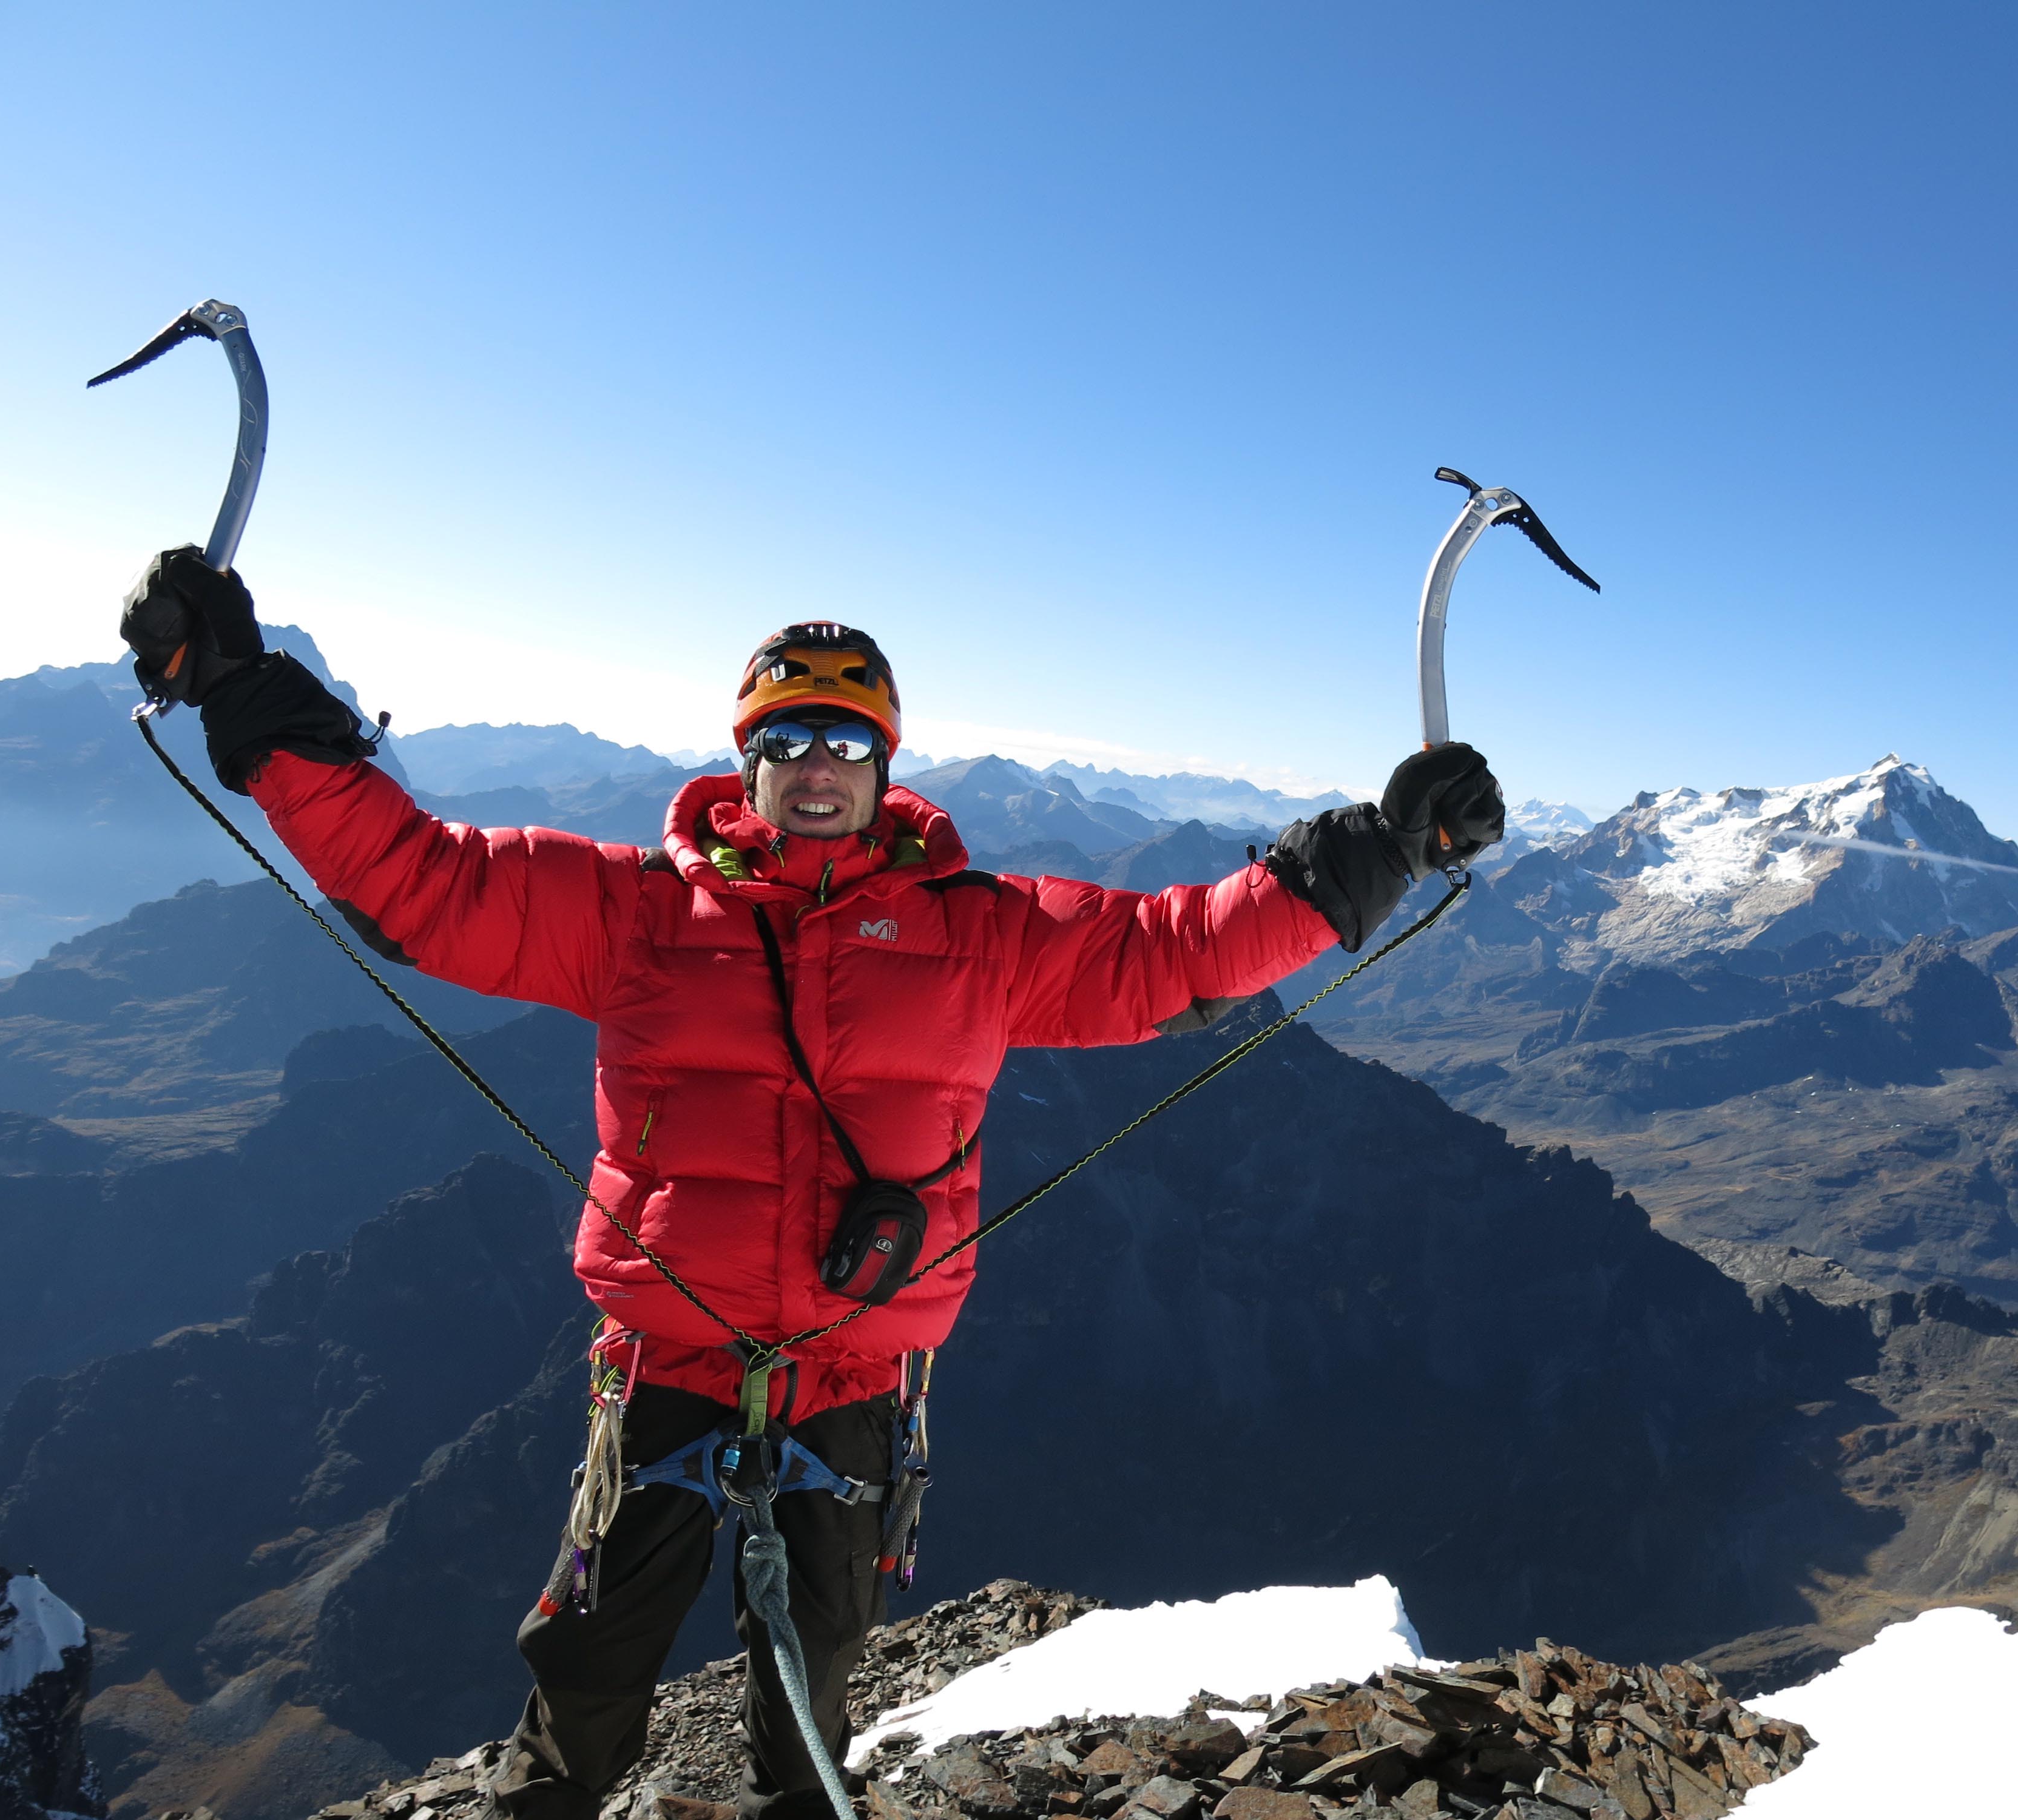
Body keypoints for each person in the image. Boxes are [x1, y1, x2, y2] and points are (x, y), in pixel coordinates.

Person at [119, 547, 1505, 1820]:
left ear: (886, 762)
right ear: (749, 760)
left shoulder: (983, 933)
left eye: (847, 740)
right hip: (668, 1357)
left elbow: (1176, 950)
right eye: (788, 740)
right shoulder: (636, 912)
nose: (818, 766)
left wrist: (1378, 849)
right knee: (593, 1663)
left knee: (813, 1679)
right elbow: (424, 882)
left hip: (848, 1375)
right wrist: (245, 691)